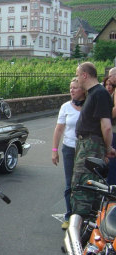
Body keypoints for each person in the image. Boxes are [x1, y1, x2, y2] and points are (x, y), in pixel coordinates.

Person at [70, 62, 116, 218]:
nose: (77, 78)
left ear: (84, 75)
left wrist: (108, 148)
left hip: (91, 145)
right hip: (86, 144)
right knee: (88, 184)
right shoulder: (93, 93)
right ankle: (88, 223)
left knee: (83, 185)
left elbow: (106, 126)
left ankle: (82, 223)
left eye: (77, 74)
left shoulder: (99, 93)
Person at [52, 78, 85, 230]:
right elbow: (59, 129)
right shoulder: (65, 107)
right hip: (69, 148)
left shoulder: (89, 106)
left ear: (83, 90)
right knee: (69, 183)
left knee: (84, 183)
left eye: (75, 88)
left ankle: (82, 215)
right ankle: (69, 215)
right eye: (70, 87)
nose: (71, 90)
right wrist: (54, 150)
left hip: (85, 150)